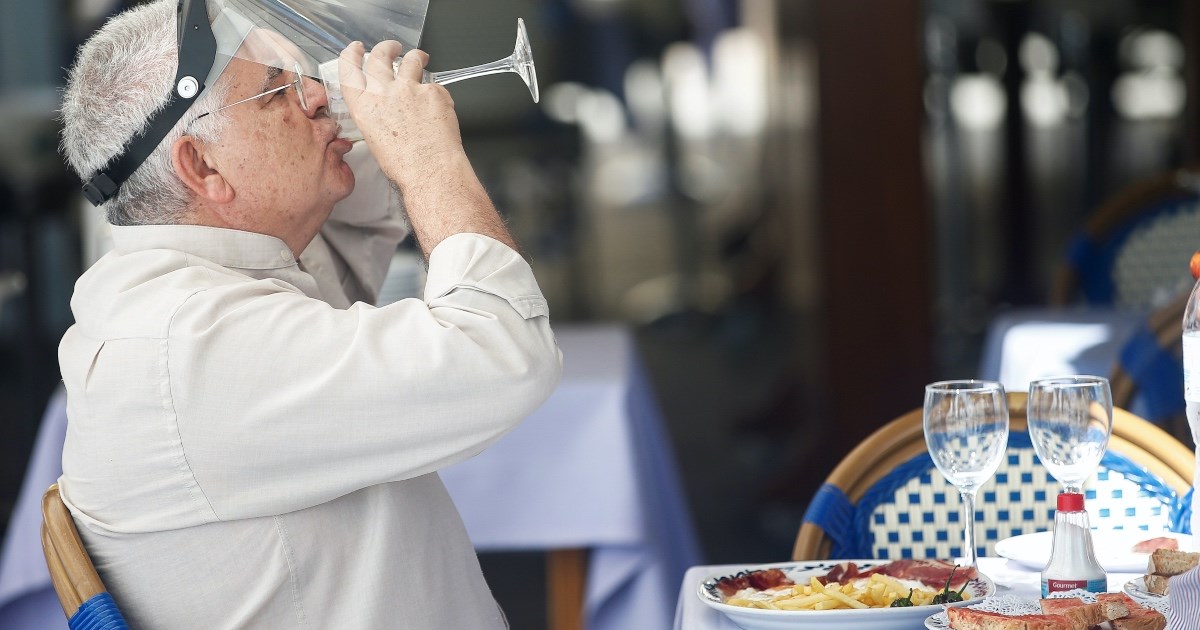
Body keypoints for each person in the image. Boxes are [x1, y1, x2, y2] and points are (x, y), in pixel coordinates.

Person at [55, 0, 562, 628]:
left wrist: (332, 80)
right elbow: (504, 351)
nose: (317, 96)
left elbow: (361, 215)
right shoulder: (187, 348)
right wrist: (429, 158)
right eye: (277, 93)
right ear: (203, 166)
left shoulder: (209, 275)